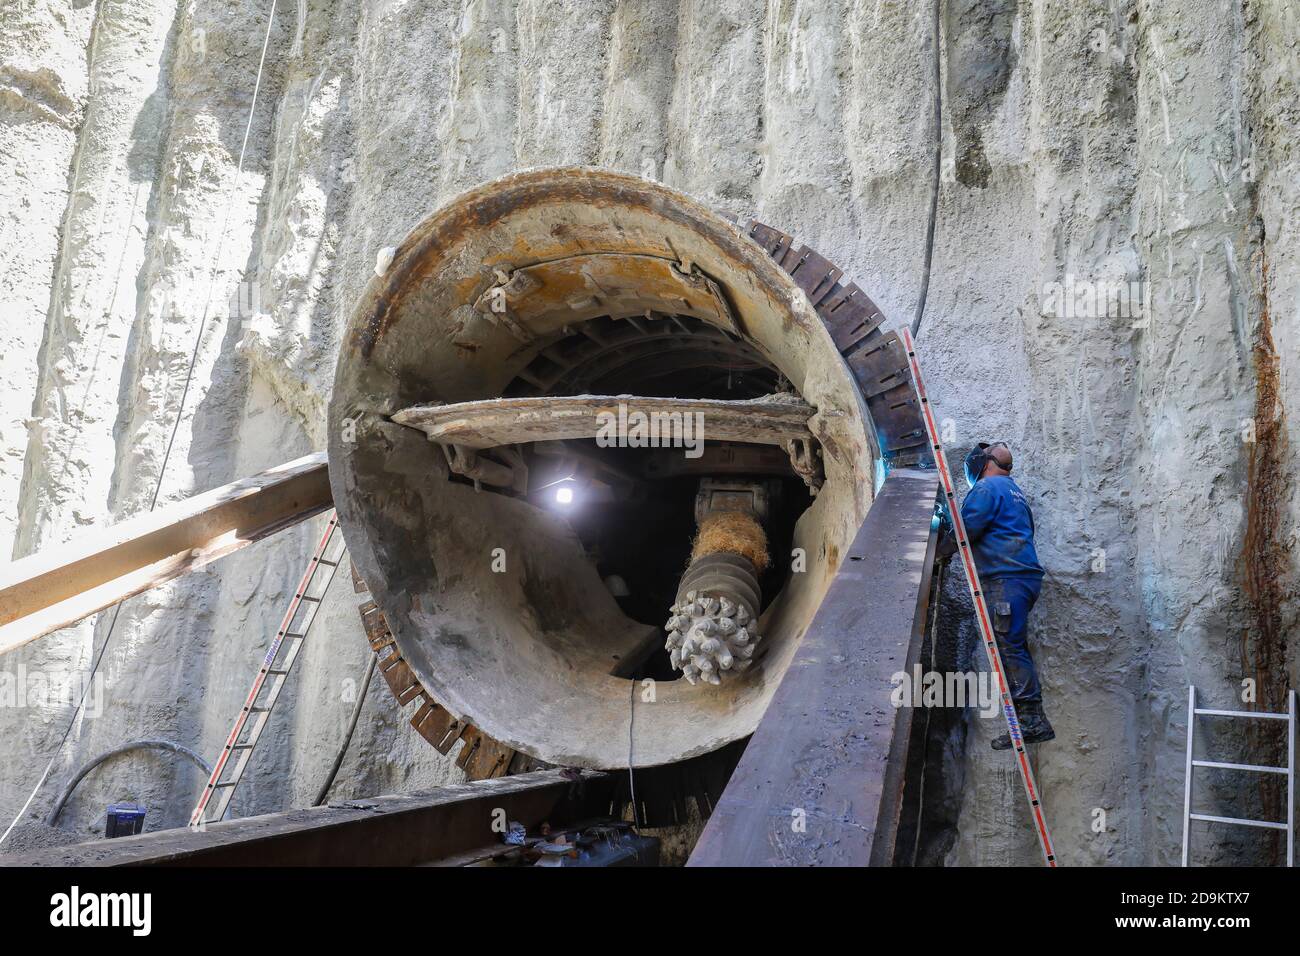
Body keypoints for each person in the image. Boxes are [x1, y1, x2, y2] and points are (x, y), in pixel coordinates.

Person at [943, 442, 1054, 750]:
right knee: (1013, 644)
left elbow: (967, 530)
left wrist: (938, 551)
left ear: (984, 465)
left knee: (1008, 647)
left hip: (1006, 579)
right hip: (1024, 579)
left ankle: (1032, 721)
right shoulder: (1016, 493)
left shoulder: (986, 489)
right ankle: (1029, 718)